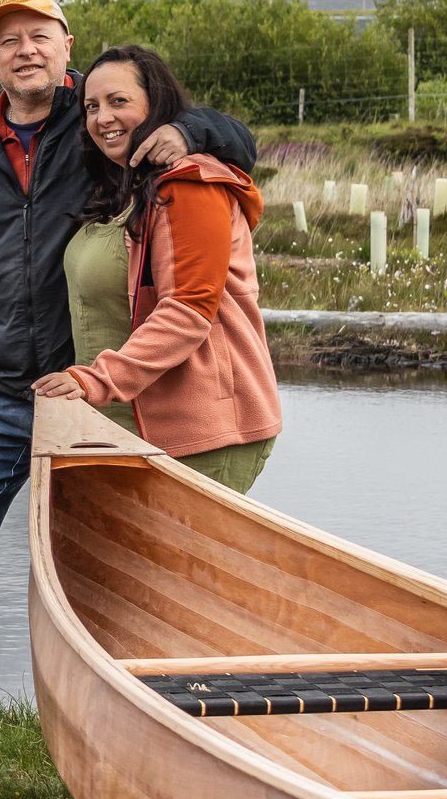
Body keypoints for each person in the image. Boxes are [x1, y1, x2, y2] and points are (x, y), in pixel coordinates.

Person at [0, 0, 256, 717]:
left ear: (66, 44)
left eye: (39, 34)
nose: (25, 49)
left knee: (100, 567)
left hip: (98, 397)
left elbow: (227, 137)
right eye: (7, 39)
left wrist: (192, 127)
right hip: (5, 388)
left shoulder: (98, 118)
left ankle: (102, 715)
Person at [32, 43, 281, 492]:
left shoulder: (192, 184)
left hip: (201, 429)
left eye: (119, 101)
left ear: (156, 105)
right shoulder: (119, 186)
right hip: (118, 421)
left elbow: (188, 311)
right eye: (91, 106)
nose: (103, 117)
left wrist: (94, 380)